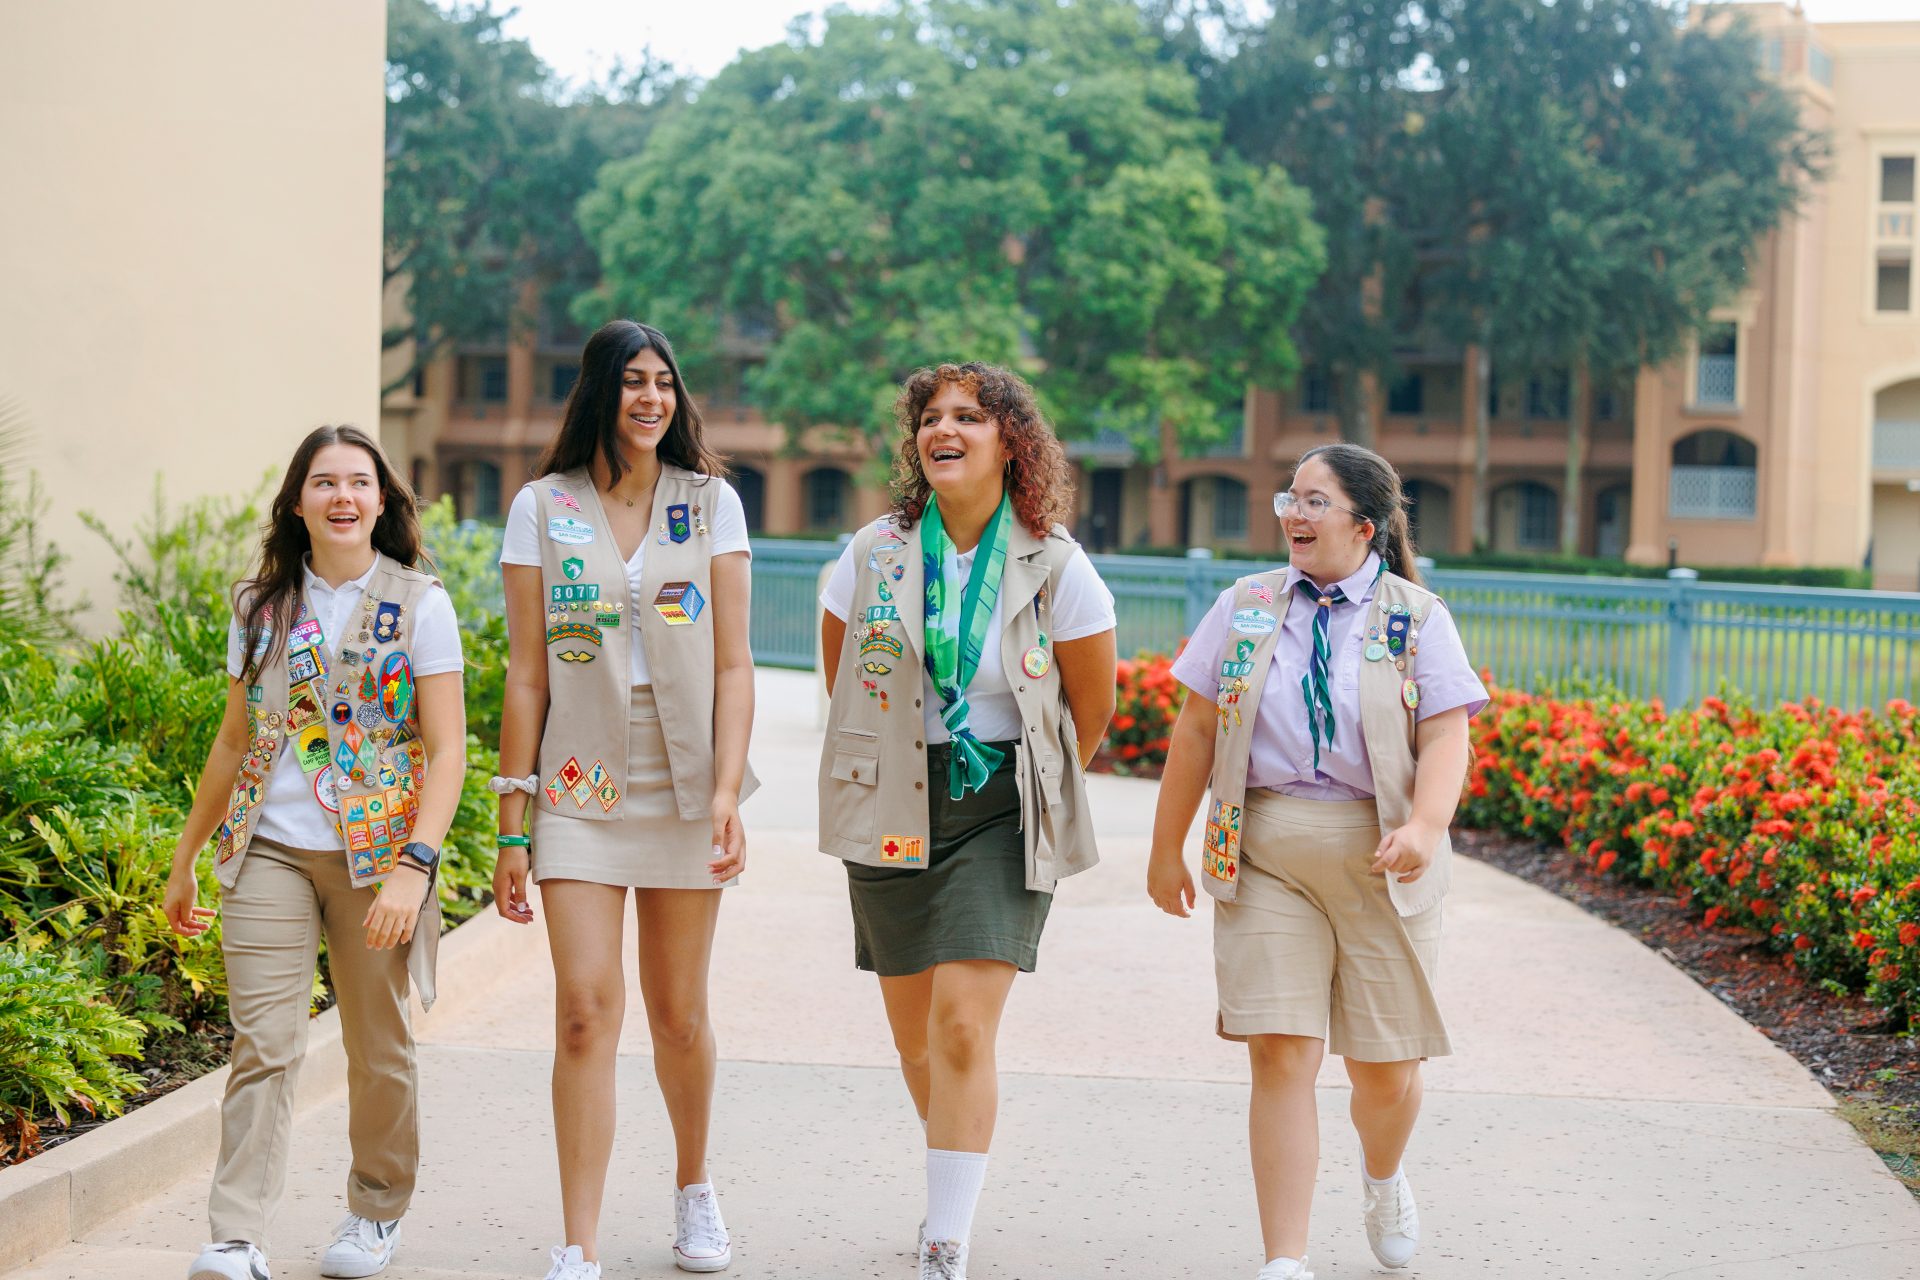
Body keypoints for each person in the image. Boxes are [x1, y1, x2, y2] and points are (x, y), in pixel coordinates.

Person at [1146, 443, 1487, 1279]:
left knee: (1383, 1071)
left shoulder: (1416, 616)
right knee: (1280, 1050)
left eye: (1313, 502)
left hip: (1383, 854)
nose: (1293, 515)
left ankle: (1382, 1176)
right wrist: (1165, 849)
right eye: (1287, 500)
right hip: (1265, 848)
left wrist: (1427, 828)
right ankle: (1285, 1259)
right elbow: (1194, 731)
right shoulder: (1247, 604)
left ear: (1363, 526)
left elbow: (1447, 734)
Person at [818, 362, 1116, 1280]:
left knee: (958, 1027)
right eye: (930, 419)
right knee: (914, 1038)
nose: (944, 431)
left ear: (1010, 443)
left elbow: (1089, 710)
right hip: (899, 795)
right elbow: (844, 675)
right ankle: (958, 1149)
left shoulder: (1055, 563)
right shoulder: (874, 551)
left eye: (969, 418)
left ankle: (945, 1237)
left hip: (1001, 805)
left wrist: (1011, 770)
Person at [164, 424, 468, 1280]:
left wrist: (417, 866)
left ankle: (375, 1213)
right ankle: (236, 1236)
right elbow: (232, 743)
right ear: (297, 502)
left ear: (382, 501)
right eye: (324, 482)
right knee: (263, 1043)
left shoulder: (421, 604)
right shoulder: (261, 609)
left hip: (377, 864)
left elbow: (448, 752)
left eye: (358, 483)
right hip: (269, 849)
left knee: (379, 1046)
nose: (342, 497)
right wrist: (188, 857)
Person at [492, 319, 757, 1280]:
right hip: (575, 776)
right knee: (582, 1010)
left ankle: (694, 1188)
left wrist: (728, 790)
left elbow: (735, 661)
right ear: (600, 393)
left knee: (678, 1011)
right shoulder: (541, 506)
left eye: (665, 383)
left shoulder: (712, 502)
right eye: (633, 382)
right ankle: (580, 1244)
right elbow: (527, 676)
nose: (652, 399)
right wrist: (510, 824)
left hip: (687, 775)